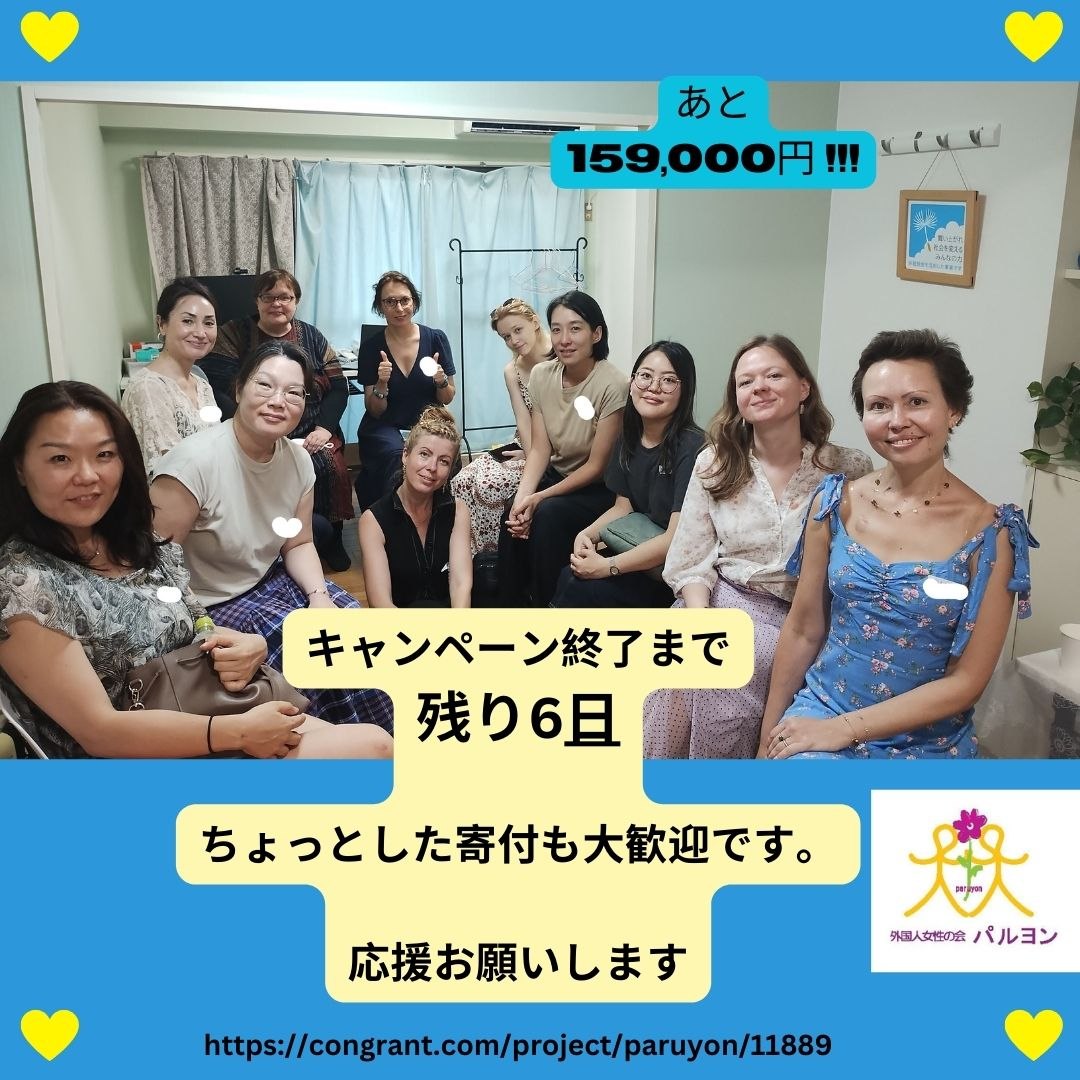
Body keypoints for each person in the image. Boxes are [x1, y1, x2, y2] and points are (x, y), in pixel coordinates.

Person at [0, 381, 391, 760]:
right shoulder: (22, 583)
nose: (87, 475)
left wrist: (247, 645)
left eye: (104, 455)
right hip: (138, 758)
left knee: (367, 709)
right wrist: (237, 732)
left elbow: (196, 620)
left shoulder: (133, 541)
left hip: (199, 703)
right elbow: (100, 732)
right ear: (19, 467)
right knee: (372, 750)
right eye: (60, 459)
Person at [759, 329, 1036, 761]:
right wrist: (767, 740)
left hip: (925, 738)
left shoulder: (990, 532)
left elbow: (967, 681)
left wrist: (844, 730)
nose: (897, 420)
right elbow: (803, 628)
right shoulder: (835, 503)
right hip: (823, 708)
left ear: (954, 411)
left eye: (917, 402)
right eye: (879, 406)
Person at [643, 333, 872, 759]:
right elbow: (690, 558)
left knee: (731, 667)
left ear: (803, 388)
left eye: (773, 376)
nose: (759, 387)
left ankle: (721, 788)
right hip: (720, 599)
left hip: (799, 613)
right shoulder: (715, 462)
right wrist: (700, 622)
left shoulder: (845, 468)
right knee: (674, 668)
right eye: (745, 382)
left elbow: (857, 561)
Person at [151, 342, 394, 734]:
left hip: (271, 579)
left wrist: (320, 598)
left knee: (356, 634)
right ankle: (345, 750)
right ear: (238, 389)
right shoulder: (192, 466)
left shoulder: (297, 461)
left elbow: (298, 543)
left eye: (294, 392)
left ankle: (387, 744)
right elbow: (150, 573)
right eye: (264, 385)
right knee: (312, 662)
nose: (278, 401)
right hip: (211, 606)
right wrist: (202, 629)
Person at [198, 269, 353, 571]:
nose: (277, 304)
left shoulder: (312, 336)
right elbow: (219, 386)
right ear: (257, 301)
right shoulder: (235, 333)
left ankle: (331, 538)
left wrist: (324, 429)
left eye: (285, 297)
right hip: (253, 429)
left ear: (296, 301)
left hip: (311, 429)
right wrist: (256, 428)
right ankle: (271, 543)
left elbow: (338, 386)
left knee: (331, 466)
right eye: (268, 297)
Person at [498, 290, 628, 607]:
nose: (564, 339)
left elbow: (596, 467)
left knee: (547, 516)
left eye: (575, 328)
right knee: (513, 516)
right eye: (556, 329)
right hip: (558, 476)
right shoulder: (542, 375)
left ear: (596, 334)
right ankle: (509, 609)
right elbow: (540, 450)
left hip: (598, 488)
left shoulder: (613, 384)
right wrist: (523, 499)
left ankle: (551, 609)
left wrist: (539, 497)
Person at [552, 340, 704, 607]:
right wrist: (586, 535)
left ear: (685, 390)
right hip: (637, 550)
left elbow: (674, 539)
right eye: (645, 376)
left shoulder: (692, 448)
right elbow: (623, 507)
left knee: (586, 590)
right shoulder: (630, 437)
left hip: (673, 574)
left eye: (669, 380)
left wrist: (607, 566)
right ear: (632, 382)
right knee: (569, 575)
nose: (654, 387)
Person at [450, 298, 554, 555]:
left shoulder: (560, 355)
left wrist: (536, 458)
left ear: (535, 322)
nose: (513, 340)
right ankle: (469, 556)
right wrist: (529, 452)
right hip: (525, 444)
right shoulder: (512, 370)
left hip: (555, 447)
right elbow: (523, 420)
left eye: (518, 330)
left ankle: (494, 555)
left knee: (489, 485)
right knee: (461, 480)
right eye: (506, 336)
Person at [354, 271, 456, 512]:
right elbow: (375, 410)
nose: (399, 308)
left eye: (404, 300)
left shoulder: (436, 339)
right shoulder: (371, 347)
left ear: (414, 301)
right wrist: (381, 384)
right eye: (390, 302)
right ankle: (392, 519)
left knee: (436, 453)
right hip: (385, 424)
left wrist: (441, 381)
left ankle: (435, 515)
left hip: (427, 423)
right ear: (380, 306)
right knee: (396, 455)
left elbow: (448, 397)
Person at [359, 407, 473, 608]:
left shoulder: (458, 511)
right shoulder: (373, 521)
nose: (432, 467)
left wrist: (458, 623)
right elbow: (381, 603)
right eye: (424, 454)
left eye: (444, 461)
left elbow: (460, 584)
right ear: (405, 454)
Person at [121, 277, 219, 475]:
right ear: (162, 324)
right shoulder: (148, 388)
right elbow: (168, 472)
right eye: (188, 321)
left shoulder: (202, 385)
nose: (201, 333)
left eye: (208, 323)